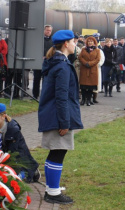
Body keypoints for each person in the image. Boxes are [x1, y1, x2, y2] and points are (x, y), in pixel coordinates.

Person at [38, 30, 83, 204]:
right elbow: (61, 96)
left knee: (55, 152)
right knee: (58, 153)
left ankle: (51, 189)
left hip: (53, 114)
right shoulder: (62, 65)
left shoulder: (56, 62)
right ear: (65, 44)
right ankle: (53, 193)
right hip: (58, 116)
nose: (75, 45)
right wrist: (64, 122)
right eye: (73, 42)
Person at [0, 103, 40, 183]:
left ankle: (33, 170)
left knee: (17, 179)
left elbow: (13, 151)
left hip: (17, 156)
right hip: (0, 154)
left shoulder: (13, 128)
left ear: (3, 116)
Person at [32, 25, 53, 100]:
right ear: (44, 30)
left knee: (46, 80)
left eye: (50, 30)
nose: (48, 32)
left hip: (48, 63)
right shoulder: (39, 39)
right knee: (36, 79)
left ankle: (44, 95)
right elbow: (34, 49)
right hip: (38, 62)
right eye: (47, 30)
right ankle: (35, 95)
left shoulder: (52, 41)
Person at [78, 36, 101, 106]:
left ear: (94, 43)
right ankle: (83, 99)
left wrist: (90, 63)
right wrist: (85, 63)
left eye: (91, 41)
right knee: (83, 86)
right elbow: (80, 57)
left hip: (92, 70)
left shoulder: (97, 50)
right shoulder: (83, 49)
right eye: (89, 41)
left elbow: (98, 59)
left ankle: (89, 100)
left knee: (90, 87)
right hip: (84, 69)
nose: (90, 42)